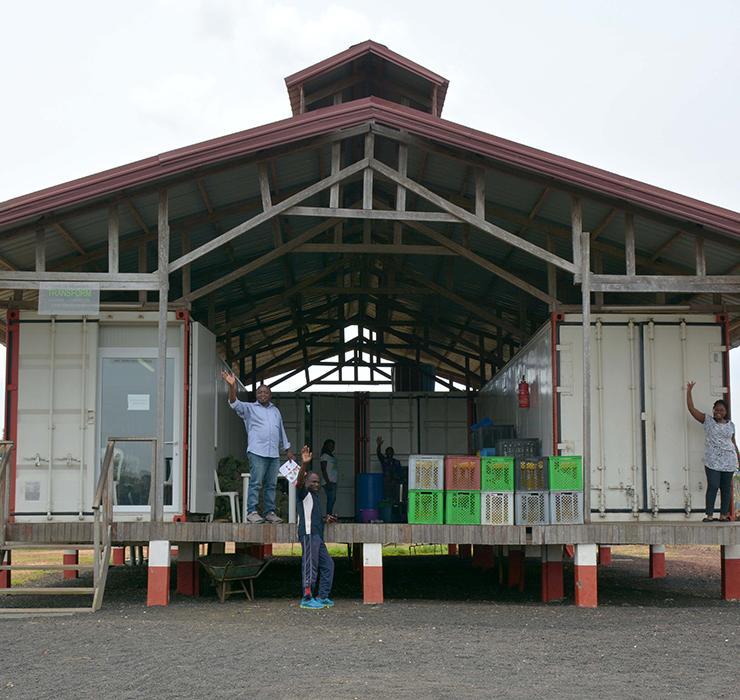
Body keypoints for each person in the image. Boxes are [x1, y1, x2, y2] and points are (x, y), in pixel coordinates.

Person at [222, 371, 294, 524]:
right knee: (255, 482)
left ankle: (269, 512)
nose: (262, 394)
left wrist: (287, 450)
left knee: (271, 484)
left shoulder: (275, 411)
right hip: (257, 452)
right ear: (256, 395)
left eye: (265, 392)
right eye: (260, 392)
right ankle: (252, 512)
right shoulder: (249, 408)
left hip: (273, 454)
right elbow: (233, 402)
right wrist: (232, 386)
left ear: (270, 395)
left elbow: (280, 430)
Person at [686, 381, 740, 522]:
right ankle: (709, 515)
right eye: (716, 409)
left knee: (726, 488)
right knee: (714, 485)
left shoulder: (731, 425)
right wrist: (689, 392)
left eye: (721, 410)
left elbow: (732, 442)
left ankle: (723, 515)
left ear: (726, 412)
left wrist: (738, 457)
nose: (718, 412)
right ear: (713, 409)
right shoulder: (708, 421)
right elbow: (692, 409)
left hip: (729, 460)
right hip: (712, 460)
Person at [296, 444, 336, 609]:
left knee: (328, 565)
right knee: (310, 566)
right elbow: (298, 482)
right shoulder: (303, 493)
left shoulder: (316, 497)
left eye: (318, 482)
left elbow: (315, 516)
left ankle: (322, 596)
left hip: (318, 536)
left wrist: (326, 518)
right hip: (308, 534)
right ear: (306, 482)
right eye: (313, 481)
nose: (316, 484)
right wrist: (304, 463)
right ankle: (306, 598)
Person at [376, 435, 404, 502]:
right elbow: (378, 453)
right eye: (388, 452)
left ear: (393, 453)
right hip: (386, 483)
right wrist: (379, 445)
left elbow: (400, 474)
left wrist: (397, 478)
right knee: (387, 499)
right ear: (385, 453)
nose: (389, 454)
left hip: (395, 484)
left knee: (395, 500)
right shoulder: (384, 460)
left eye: (390, 452)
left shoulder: (397, 462)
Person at [319, 439, 338, 517]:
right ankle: (329, 516)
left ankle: (329, 515)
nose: (332, 447)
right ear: (326, 446)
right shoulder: (324, 456)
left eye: (333, 446)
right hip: (328, 481)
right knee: (331, 499)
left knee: (332, 499)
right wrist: (328, 481)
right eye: (330, 445)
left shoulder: (331, 456)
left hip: (333, 480)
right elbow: (323, 469)